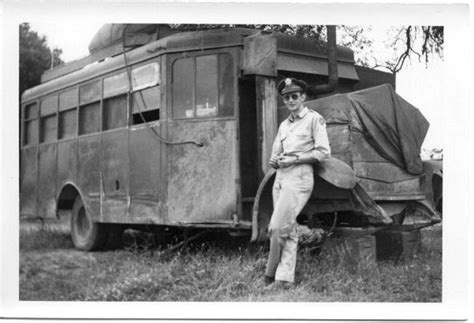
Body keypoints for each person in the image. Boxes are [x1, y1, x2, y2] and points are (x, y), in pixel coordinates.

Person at [262, 77, 331, 288]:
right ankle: (285, 279)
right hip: (281, 178)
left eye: (294, 96)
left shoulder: (314, 119)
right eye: (286, 97)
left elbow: (323, 152)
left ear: (303, 97)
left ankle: (269, 274)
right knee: (288, 228)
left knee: (276, 228)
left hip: (299, 176)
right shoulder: (284, 125)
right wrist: (274, 160)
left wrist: (295, 159)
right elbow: (276, 154)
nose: (290, 100)